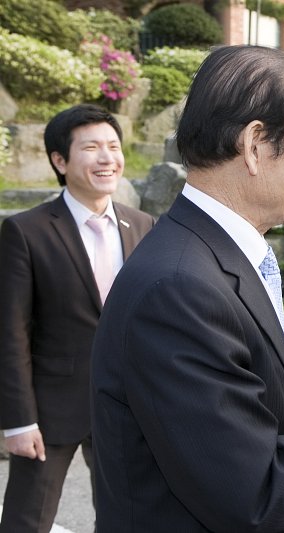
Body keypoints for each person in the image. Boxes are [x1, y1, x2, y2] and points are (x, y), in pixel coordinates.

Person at [90, 45, 284, 533]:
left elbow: (240, 411)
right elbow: (253, 490)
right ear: (254, 145)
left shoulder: (208, 258)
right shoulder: (181, 289)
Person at [0, 104, 155, 532]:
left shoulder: (143, 225)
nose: (107, 158)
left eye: (113, 146)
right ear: (59, 160)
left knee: (133, 513)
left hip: (128, 404)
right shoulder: (26, 231)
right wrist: (18, 419)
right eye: (91, 147)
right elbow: (10, 332)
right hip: (52, 409)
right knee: (27, 518)